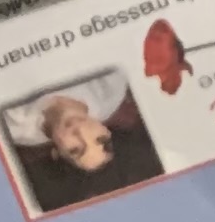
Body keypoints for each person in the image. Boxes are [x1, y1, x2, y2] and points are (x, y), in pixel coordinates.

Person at [9, 81, 166, 214]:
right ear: (106, 130)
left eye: (75, 149)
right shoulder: (110, 91)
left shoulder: (14, 127)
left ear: (57, 153)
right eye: (100, 139)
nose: (81, 132)